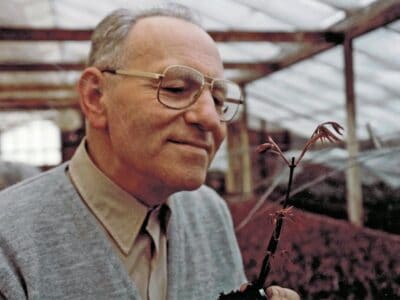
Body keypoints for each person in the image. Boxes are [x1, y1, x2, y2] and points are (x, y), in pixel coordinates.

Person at [0, 3, 299, 300]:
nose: (210, 119)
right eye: (176, 88)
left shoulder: (209, 212)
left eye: (219, 100)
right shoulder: (9, 242)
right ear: (96, 97)